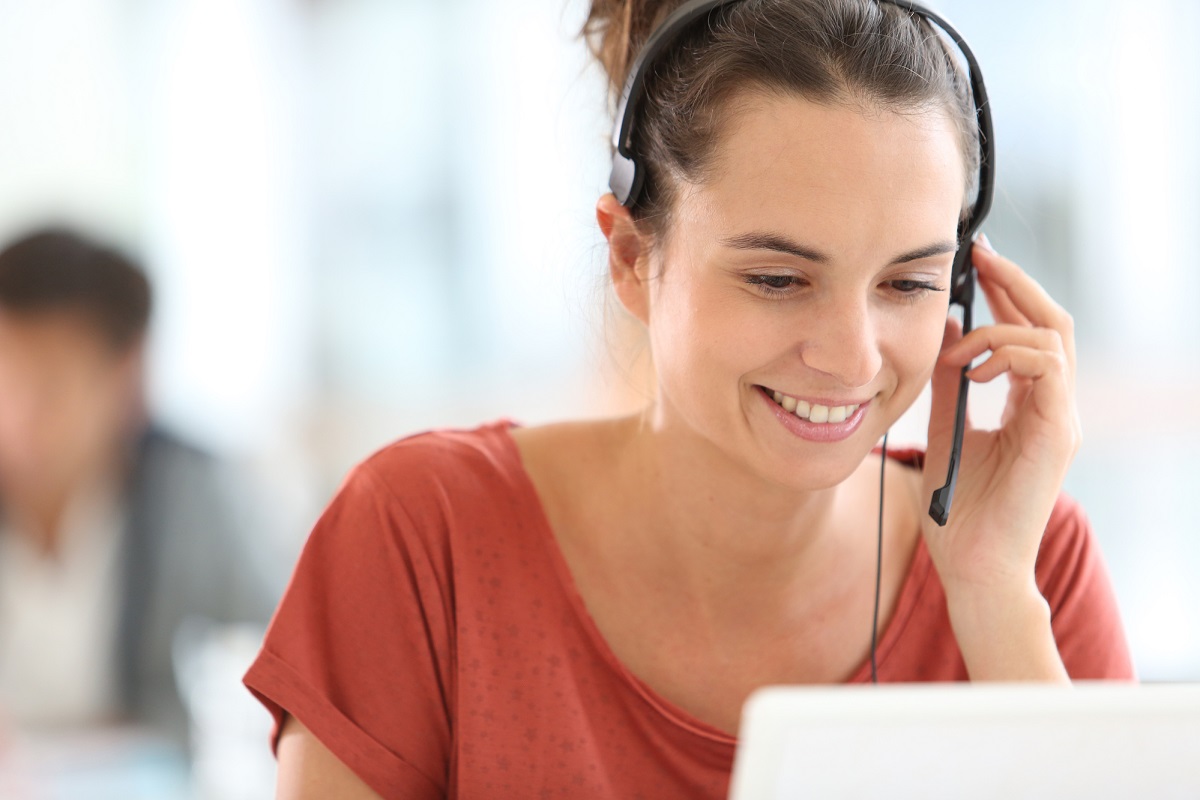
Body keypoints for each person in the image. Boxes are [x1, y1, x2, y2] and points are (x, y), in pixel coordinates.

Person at [245, 1, 1134, 797]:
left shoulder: (1028, 564)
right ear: (633, 259)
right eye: (780, 278)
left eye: (907, 284)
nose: (851, 356)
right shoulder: (425, 536)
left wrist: (988, 598)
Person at [0, 227, 281, 743]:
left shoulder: (197, 498)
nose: (18, 416)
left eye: (49, 385)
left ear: (126, 376)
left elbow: (281, 674)